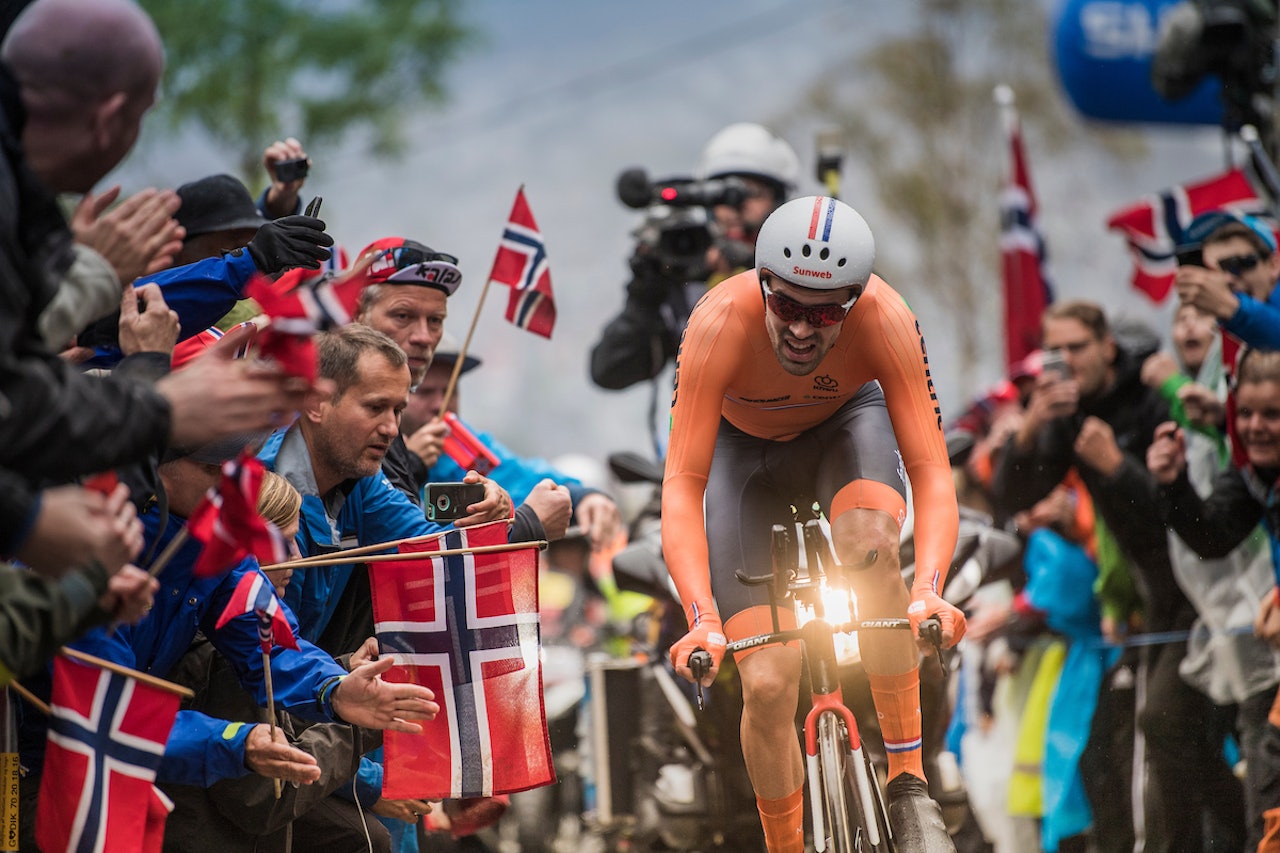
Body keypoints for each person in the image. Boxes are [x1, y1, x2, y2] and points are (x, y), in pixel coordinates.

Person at [662, 195, 965, 852]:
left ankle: (909, 779)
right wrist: (702, 618)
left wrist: (930, 588)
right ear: (763, 283)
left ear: (854, 302)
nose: (802, 328)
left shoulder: (887, 318)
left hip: (846, 429)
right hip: (745, 464)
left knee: (870, 543)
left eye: (826, 312)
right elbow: (683, 488)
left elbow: (933, 473)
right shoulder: (718, 321)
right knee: (768, 682)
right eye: (788, 306)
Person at [991, 300, 1242, 853]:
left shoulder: (1152, 397)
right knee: (1166, 737)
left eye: (1076, 348)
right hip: (1155, 603)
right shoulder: (1068, 412)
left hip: (1213, 591)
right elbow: (1012, 496)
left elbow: (1189, 514)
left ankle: (1246, 830)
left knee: (1173, 725)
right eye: (1054, 352)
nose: (1065, 362)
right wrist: (1031, 425)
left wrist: (1116, 469)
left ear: (1107, 346)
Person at [590, 121, 799, 394]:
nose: (734, 208)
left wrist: (757, 266)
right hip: (709, 432)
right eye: (722, 194)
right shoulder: (686, 274)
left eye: (752, 194)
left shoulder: (814, 265)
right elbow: (608, 372)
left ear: (779, 200)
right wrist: (644, 296)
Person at [400, 331, 621, 550]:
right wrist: (411, 464)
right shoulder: (376, 448)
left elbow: (520, 477)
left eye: (450, 392)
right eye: (425, 392)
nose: (440, 404)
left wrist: (583, 497)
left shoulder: (462, 443)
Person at [1175, 208, 1280, 351]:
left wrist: (1232, 309)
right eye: (1216, 270)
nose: (1228, 278)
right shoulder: (1224, 332)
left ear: (1273, 265)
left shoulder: (1232, 315)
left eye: (1237, 264)